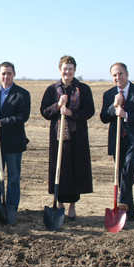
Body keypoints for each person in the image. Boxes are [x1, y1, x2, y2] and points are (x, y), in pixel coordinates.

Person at [40, 55, 94, 221]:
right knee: (60, 169)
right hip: (58, 138)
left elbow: (89, 111)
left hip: (78, 138)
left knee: (75, 170)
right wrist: (57, 106)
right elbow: (44, 112)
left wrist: (72, 113)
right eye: (65, 69)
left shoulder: (83, 89)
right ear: (60, 70)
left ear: (74, 70)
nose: (67, 72)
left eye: (70, 69)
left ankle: (72, 206)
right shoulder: (52, 89)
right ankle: (59, 203)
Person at [100, 62, 134, 221]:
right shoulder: (109, 94)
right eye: (114, 75)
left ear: (127, 74)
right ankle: (128, 214)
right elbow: (104, 118)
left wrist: (126, 115)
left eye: (120, 74)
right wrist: (113, 106)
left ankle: (122, 200)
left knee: (129, 166)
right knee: (123, 172)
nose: (118, 77)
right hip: (117, 139)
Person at [0, 62, 30, 214]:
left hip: (13, 142)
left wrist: (3, 122)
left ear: (14, 74)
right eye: (3, 73)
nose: (6, 76)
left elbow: (23, 116)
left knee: (13, 176)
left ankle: (11, 206)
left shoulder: (22, 94)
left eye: (9, 73)